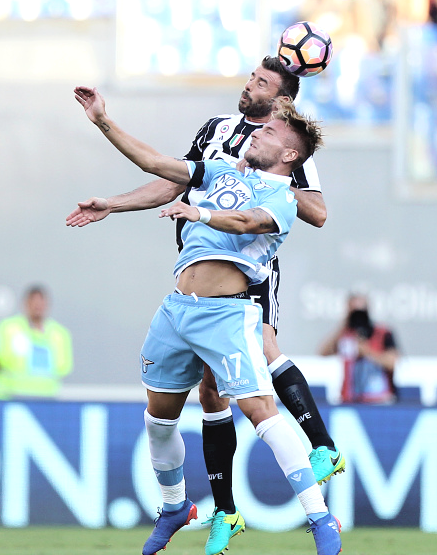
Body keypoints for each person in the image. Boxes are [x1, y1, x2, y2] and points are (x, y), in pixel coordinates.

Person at [67, 56, 345, 555]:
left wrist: (198, 210)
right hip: (177, 310)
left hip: (227, 313)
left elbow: (244, 223)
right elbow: (157, 165)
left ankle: (320, 518)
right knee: (159, 418)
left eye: (267, 132)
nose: (254, 134)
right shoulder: (219, 166)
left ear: (288, 152)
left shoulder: (283, 197)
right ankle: (175, 506)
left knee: (260, 410)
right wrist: (104, 121)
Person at [319, 293, 399, 404]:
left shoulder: (382, 333)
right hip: (349, 399)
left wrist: (368, 352)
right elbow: (323, 352)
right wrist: (344, 324)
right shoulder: (345, 335)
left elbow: (392, 362)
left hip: (379, 400)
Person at [0, 285, 73, 398]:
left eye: (41, 302)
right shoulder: (8, 328)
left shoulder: (59, 333)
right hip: (12, 396)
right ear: (25, 303)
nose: (37, 306)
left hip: (47, 397)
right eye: (33, 301)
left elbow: (64, 367)